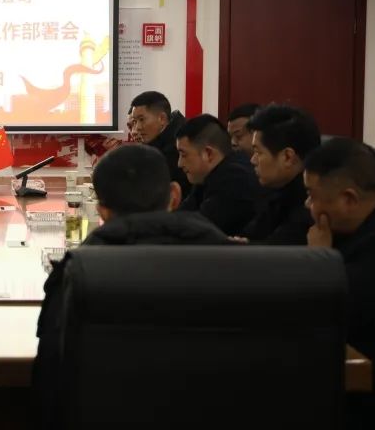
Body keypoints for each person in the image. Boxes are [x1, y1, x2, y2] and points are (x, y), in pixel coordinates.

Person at [33, 144, 229, 429]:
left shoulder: (78, 274)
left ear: (102, 211)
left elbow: (50, 381)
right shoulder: (228, 258)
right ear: (175, 196)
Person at [304, 137, 375, 428]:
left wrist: (320, 257)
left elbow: (325, 313)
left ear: (349, 199)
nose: (308, 205)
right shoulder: (370, 223)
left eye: (312, 196)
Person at [240, 104, 320, 244]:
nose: (253, 160)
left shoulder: (310, 208)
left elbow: (273, 253)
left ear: (287, 157)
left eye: (258, 152)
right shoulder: (277, 191)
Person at [175, 114, 262, 236]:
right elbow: (182, 216)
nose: (179, 164)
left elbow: (195, 230)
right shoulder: (207, 176)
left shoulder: (235, 181)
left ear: (208, 153)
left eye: (184, 155)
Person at [127, 91, 190, 197]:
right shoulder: (156, 143)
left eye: (142, 119)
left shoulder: (178, 148)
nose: (137, 128)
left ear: (162, 118)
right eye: (135, 121)